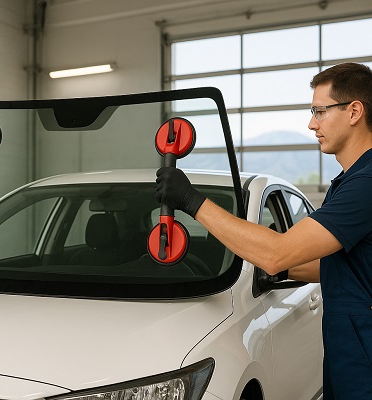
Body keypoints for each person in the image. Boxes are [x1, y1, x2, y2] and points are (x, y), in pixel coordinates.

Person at [156, 62, 372, 399]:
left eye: (319, 111)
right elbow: (335, 265)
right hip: (350, 357)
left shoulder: (366, 184)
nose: (311, 123)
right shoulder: (348, 183)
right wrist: (240, 255)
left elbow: (277, 253)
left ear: (354, 111)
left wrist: (191, 200)